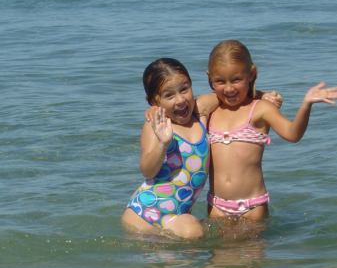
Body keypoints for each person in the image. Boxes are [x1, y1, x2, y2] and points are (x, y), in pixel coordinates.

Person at [195, 39, 337, 220]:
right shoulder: (211, 109)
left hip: (253, 207)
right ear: (209, 78)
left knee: (252, 249)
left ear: (251, 74)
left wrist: (306, 104)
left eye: (236, 79)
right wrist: (154, 108)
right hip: (216, 205)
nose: (229, 88)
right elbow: (183, 106)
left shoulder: (261, 109)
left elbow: (293, 134)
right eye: (220, 81)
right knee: (219, 249)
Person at [121, 58, 210, 239]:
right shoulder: (158, 125)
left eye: (185, 89)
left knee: (189, 251)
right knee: (193, 233)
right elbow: (147, 171)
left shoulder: (200, 114)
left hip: (176, 219)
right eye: (169, 95)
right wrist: (163, 143)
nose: (180, 100)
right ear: (154, 101)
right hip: (144, 217)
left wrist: (261, 96)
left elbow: (230, 95)